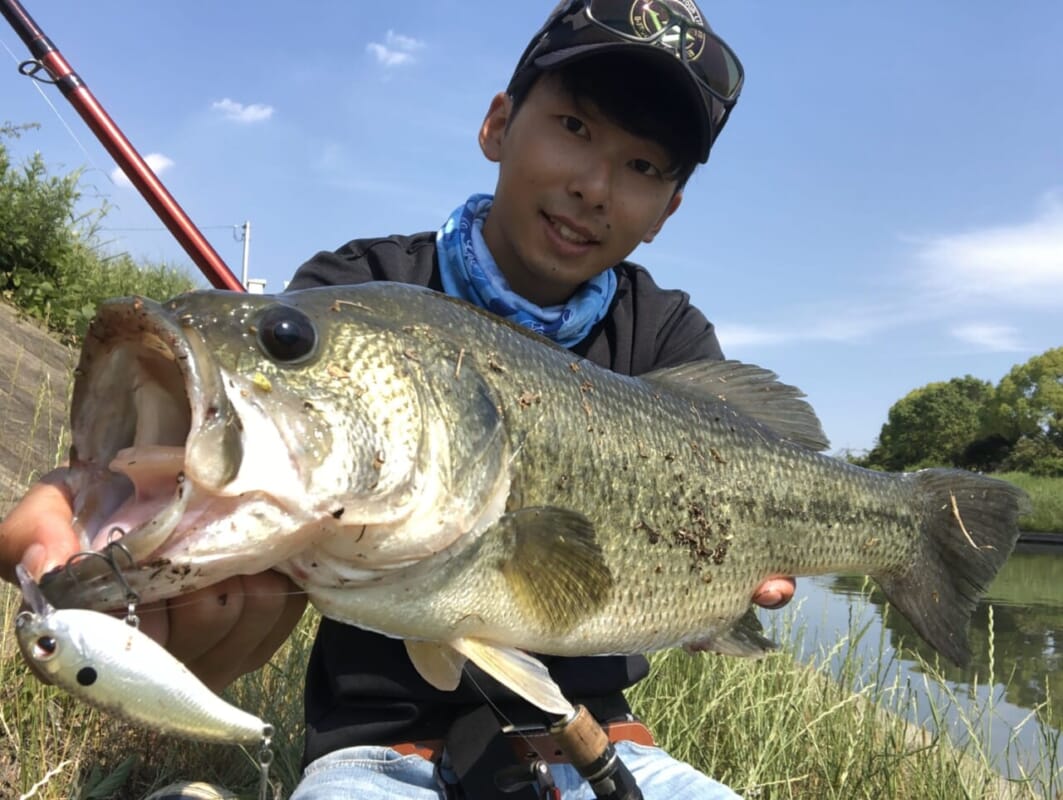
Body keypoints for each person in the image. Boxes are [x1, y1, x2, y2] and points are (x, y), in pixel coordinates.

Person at [0, 2, 795, 798]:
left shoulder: (669, 338)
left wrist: (714, 595)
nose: (593, 186)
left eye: (644, 168)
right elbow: (272, 481)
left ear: (668, 211)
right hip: (377, 755)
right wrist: (148, 539)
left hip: (610, 750)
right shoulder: (352, 289)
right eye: (574, 127)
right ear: (497, 124)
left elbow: (701, 536)